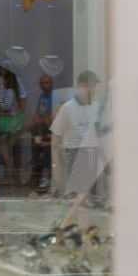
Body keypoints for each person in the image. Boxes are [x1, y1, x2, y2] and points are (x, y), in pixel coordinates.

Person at [50, 70, 101, 226]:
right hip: (75, 153)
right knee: (81, 198)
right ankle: (65, 229)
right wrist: (55, 165)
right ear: (79, 86)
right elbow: (55, 137)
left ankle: (74, 231)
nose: (91, 89)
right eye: (87, 85)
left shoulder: (97, 107)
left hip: (93, 154)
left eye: (93, 86)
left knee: (84, 200)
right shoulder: (68, 108)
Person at [29, 74, 55, 193]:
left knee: (46, 151)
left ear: (51, 83)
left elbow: (51, 114)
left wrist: (38, 121)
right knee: (35, 147)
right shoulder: (42, 96)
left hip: (51, 130)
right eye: (42, 83)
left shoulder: (54, 96)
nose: (44, 85)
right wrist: (33, 123)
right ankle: (36, 176)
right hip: (41, 129)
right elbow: (38, 111)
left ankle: (46, 177)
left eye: (47, 82)